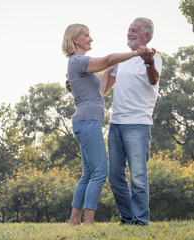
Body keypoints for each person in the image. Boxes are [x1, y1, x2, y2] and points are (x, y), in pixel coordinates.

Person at [62, 23, 139, 225]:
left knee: (88, 172)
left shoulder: (79, 64)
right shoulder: (79, 61)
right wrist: (134, 54)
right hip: (87, 122)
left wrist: (113, 67)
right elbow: (107, 60)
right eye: (86, 35)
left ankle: (74, 220)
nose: (91, 39)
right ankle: (89, 223)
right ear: (75, 40)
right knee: (100, 172)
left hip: (86, 121)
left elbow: (103, 79)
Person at [101, 17, 162, 226]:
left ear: (145, 35)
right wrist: (80, 83)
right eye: (128, 29)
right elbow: (104, 87)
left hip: (138, 125)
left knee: (138, 177)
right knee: (115, 178)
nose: (129, 32)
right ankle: (127, 219)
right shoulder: (123, 59)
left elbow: (153, 79)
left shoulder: (155, 58)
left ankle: (141, 221)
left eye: (134, 30)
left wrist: (148, 61)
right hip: (116, 123)